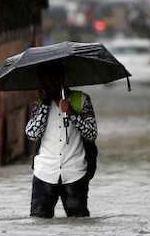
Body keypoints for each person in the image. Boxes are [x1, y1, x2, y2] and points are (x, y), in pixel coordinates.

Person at [25, 62, 98, 218]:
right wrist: (45, 104)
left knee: (79, 222)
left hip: (75, 173)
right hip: (44, 172)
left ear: (62, 79)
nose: (49, 83)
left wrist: (71, 112)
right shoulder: (39, 103)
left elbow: (91, 133)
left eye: (52, 79)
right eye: (45, 80)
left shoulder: (81, 100)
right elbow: (32, 134)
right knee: (38, 223)